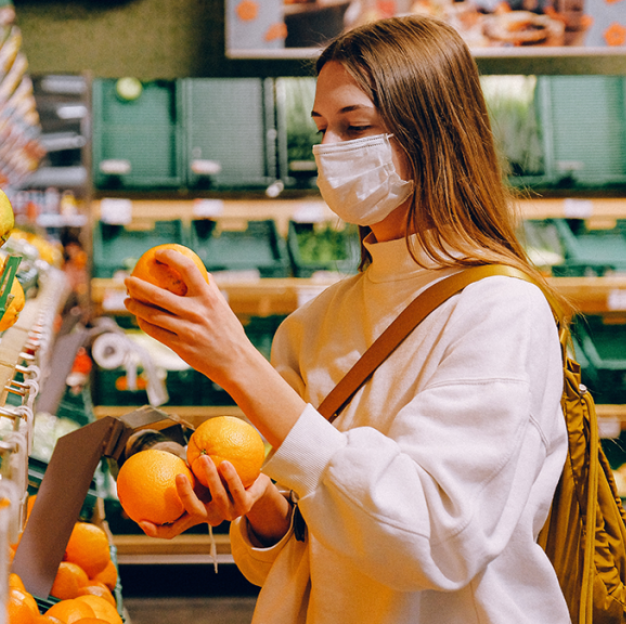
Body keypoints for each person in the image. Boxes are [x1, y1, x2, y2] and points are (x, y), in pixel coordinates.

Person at [122, 14, 570, 624]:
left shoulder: (501, 311)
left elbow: (432, 539)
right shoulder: (314, 324)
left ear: (433, 135)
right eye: (321, 128)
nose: (328, 151)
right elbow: (302, 545)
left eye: (354, 126)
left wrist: (236, 363)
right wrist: (252, 505)